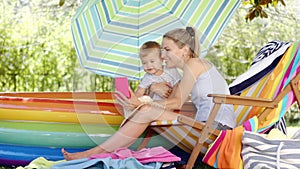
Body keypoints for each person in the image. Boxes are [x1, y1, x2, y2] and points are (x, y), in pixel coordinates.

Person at [62, 27, 236, 160]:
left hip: (216, 131)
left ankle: (92, 154)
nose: (163, 54)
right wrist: (150, 92)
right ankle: (99, 153)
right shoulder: (191, 69)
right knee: (145, 111)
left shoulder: (194, 64)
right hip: (207, 127)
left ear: (184, 49)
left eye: (167, 49)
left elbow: (176, 103)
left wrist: (142, 104)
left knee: (145, 111)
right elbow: (179, 101)